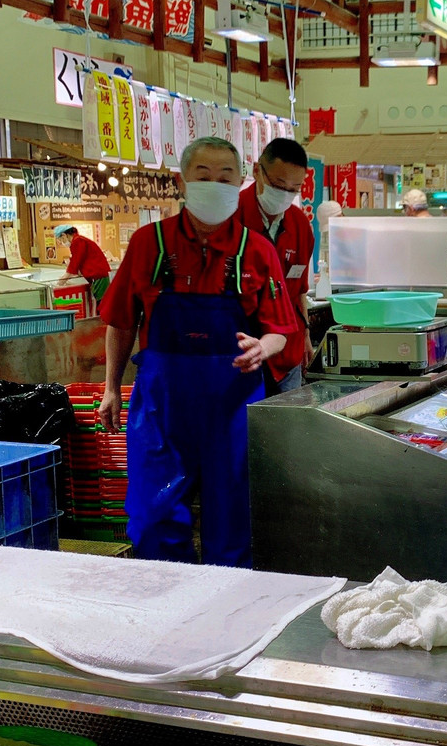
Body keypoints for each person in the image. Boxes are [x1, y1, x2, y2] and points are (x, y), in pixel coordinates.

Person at [98, 136, 296, 567]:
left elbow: (281, 329)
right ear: (181, 181)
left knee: (233, 519)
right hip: (162, 407)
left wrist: (263, 347)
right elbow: (121, 321)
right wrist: (111, 387)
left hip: (234, 407)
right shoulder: (148, 243)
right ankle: (166, 597)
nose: (214, 184)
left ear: (241, 182)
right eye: (202, 175)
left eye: (225, 177)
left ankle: (228, 600)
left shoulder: (257, 250)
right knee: (152, 516)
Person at [234, 137, 315, 395]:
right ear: (257, 170)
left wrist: (305, 336)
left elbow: (299, 290)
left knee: (286, 419)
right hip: (241, 350)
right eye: (279, 186)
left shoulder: (300, 226)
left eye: (294, 189)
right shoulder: (231, 216)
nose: (285, 194)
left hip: (288, 354)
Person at [53, 225, 111, 304]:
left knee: (102, 304)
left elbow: (74, 264)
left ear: (64, 235)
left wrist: (61, 282)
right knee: (102, 303)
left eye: (61, 240)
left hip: (98, 276)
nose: (62, 243)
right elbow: (79, 262)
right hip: (98, 276)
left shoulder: (78, 241)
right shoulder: (79, 240)